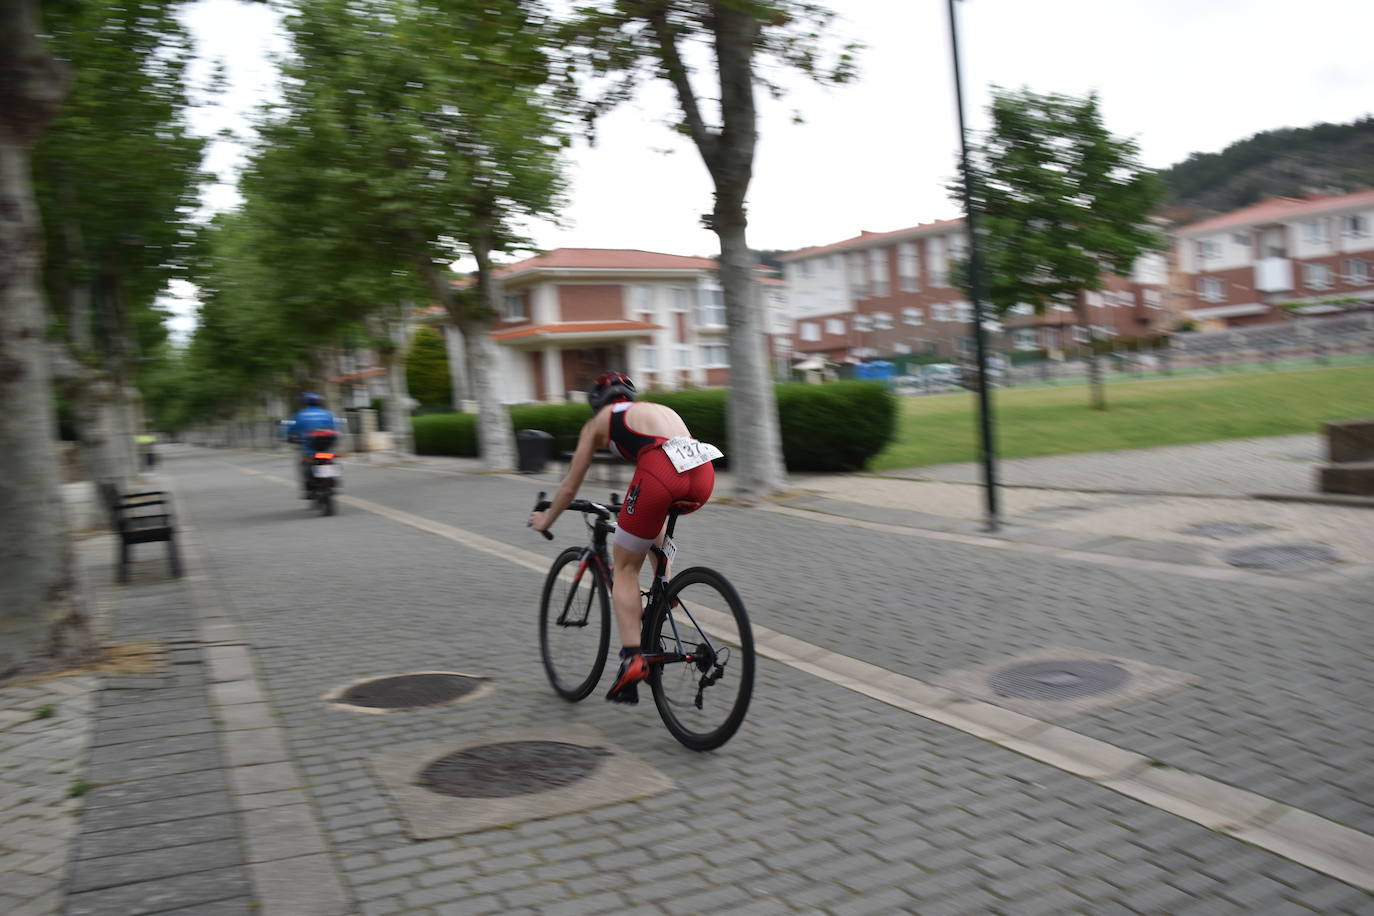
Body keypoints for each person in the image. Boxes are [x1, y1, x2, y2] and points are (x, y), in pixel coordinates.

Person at [530, 372, 720, 704]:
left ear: (598, 404)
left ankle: (633, 659)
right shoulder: (653, 410)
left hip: (661, 471)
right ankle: (663, 598)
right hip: (703, 473)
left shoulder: (599, 422)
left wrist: (547, 518)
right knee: (648, 535)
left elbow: (570, 485)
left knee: (624, 567)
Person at [285, 393, 339, 496]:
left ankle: (308, 488)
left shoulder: (299, 415)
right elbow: (335, 429)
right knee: (330, 458)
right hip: (326, 447)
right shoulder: (327, 414)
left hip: (310, 449)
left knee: (303, 463)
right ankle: (332, 480)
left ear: (304, 403)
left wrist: (289, 438)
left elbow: (290, 431)